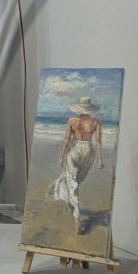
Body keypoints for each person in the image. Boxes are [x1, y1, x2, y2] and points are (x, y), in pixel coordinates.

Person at [50, 96, 105, 233]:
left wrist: (62, 156)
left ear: (79, 108)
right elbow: (98, 142)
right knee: (76, 180)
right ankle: (73, 206)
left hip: (75, 148)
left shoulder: (72, 120)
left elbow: (67, 139)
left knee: (72, 180)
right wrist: (100, 159)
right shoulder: (96, 122)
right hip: (88, 150)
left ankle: (75, 212)